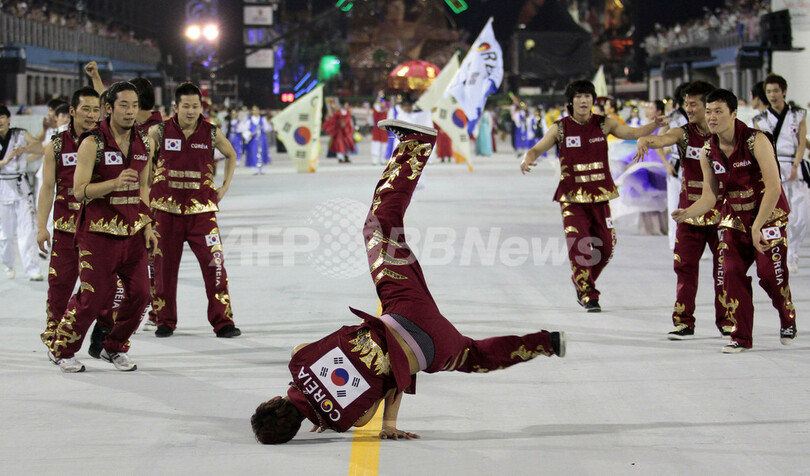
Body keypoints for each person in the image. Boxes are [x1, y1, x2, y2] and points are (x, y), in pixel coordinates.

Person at [250, 119, 565, 444]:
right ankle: (416, 144)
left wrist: (382, 423)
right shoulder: (299, 358)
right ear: (274, 400)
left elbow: (391, 381)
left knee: (477, 357)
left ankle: (548, 343)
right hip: (406, 312)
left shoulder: (350, 420)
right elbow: (324, 358)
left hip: (434, 349)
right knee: (379, 226)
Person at [520, 79, 664, 312]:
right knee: (580, 247)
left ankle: (581, 281)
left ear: (593, 100)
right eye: (578, 96)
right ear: (571, 101)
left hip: (600, 195)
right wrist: (528, 158)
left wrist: (653, 125)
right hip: (571, 198)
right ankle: (588, 293)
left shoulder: (605, 124)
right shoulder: (560, 128)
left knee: (606, 247)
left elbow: (633, 132)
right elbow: (538, 148)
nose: (584, 100)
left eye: (587, 96)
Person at [673, 89, 797, 353]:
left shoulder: (756, 140)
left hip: (768, 215)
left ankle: (786, 315)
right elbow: (710, 196)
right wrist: (688, 211)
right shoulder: (707, 150)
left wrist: (756, 227)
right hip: (734, 219)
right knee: (730, 273)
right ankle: (741, 337)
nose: (712, 117)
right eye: (709, 111)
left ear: (734, 114)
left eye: (719, 111)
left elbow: (774, 187)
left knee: (769, 275)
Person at [47, 81, 157, 372]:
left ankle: (114, 347)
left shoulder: (145, 141)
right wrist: (113, 184)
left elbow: (145, 187)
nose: (131, 111)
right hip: (97, 235)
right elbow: (79, 191)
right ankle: (63, 349)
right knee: (93, 298)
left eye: (134, 105)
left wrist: (147, 225)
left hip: (133, 233)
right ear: (108, 108)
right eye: (124, 105)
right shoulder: (92, 143)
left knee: (142, 295)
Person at [636, 81, 733, 339]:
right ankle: (683, 322)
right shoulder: (684, 133)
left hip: (722, 213)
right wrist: (648, 139)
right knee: (684, 268)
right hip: (688, 213)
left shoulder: (727, 135)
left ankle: (727, 319)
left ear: (709, 106)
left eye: (694, 104)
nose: (688, 108)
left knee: (725, 269)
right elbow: (666, 138)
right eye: (686, 103)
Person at [146, 82, 240, 338]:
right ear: (175, 107)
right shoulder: (160, 131)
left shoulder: (211, 132)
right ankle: (164, 321)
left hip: (203, 214)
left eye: (195, 106)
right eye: (185, 106)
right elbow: (143, 161)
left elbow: (231, 154)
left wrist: (225, 187)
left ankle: (223, 322)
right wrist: (147, 191)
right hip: (165, 212)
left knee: (215, 265)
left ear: (202, 107)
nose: (190, 111)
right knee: (164, 270)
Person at [36, 87, 110, 354]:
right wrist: (41, 227)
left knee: (103, 289)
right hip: (66, 229)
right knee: (60, 286)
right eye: (86, 109)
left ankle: (102, 340)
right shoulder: (56, 146)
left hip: (100, 229)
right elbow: (47, 188)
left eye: (96, 109)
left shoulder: (108, 141)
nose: (92, 115)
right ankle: (55, 338)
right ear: (72, 111)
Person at [752, 74, 809, 273]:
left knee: (801, 217)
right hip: (773, 169)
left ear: (783, 91)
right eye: (769, 92)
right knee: (778, 216)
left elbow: (802, 142)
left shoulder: (798, 114)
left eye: (776, 90)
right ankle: (782, 256)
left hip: (795, 167)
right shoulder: (760, 120)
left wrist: (796, 164)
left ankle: (793, 252)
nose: (773, 95)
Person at [0, 105, 44, 280]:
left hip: (21, 186)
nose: (0, 121)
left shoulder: (19, 133)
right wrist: (5, 160)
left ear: (9, 119)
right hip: (2, 186)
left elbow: (39, 148)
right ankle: (8, 265)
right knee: (5, 233)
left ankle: (32, 270)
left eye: (3, 117)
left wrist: (25, 149)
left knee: (27, 231)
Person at [241, 105, 271, 173]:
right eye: (254, 110)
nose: (255, 112)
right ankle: (255, 167)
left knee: (262, 151)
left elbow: (267, 128)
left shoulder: (262, 119)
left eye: (257, 110)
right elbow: (245, 129)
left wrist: (269, 124)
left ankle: (262, 167)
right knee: (253, 152)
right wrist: (249, 134)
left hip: (261, 138)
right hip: (253, 140)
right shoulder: (249, 120)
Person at [370, 91, 390, 165]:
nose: (383, 104)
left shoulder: (385, 110)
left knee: (384, 144)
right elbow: (377, 105)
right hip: (377, 128)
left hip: (383, 129)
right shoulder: (376, 108)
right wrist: (379, 96)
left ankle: (382, 159)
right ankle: (375, 160)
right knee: (376, 144)